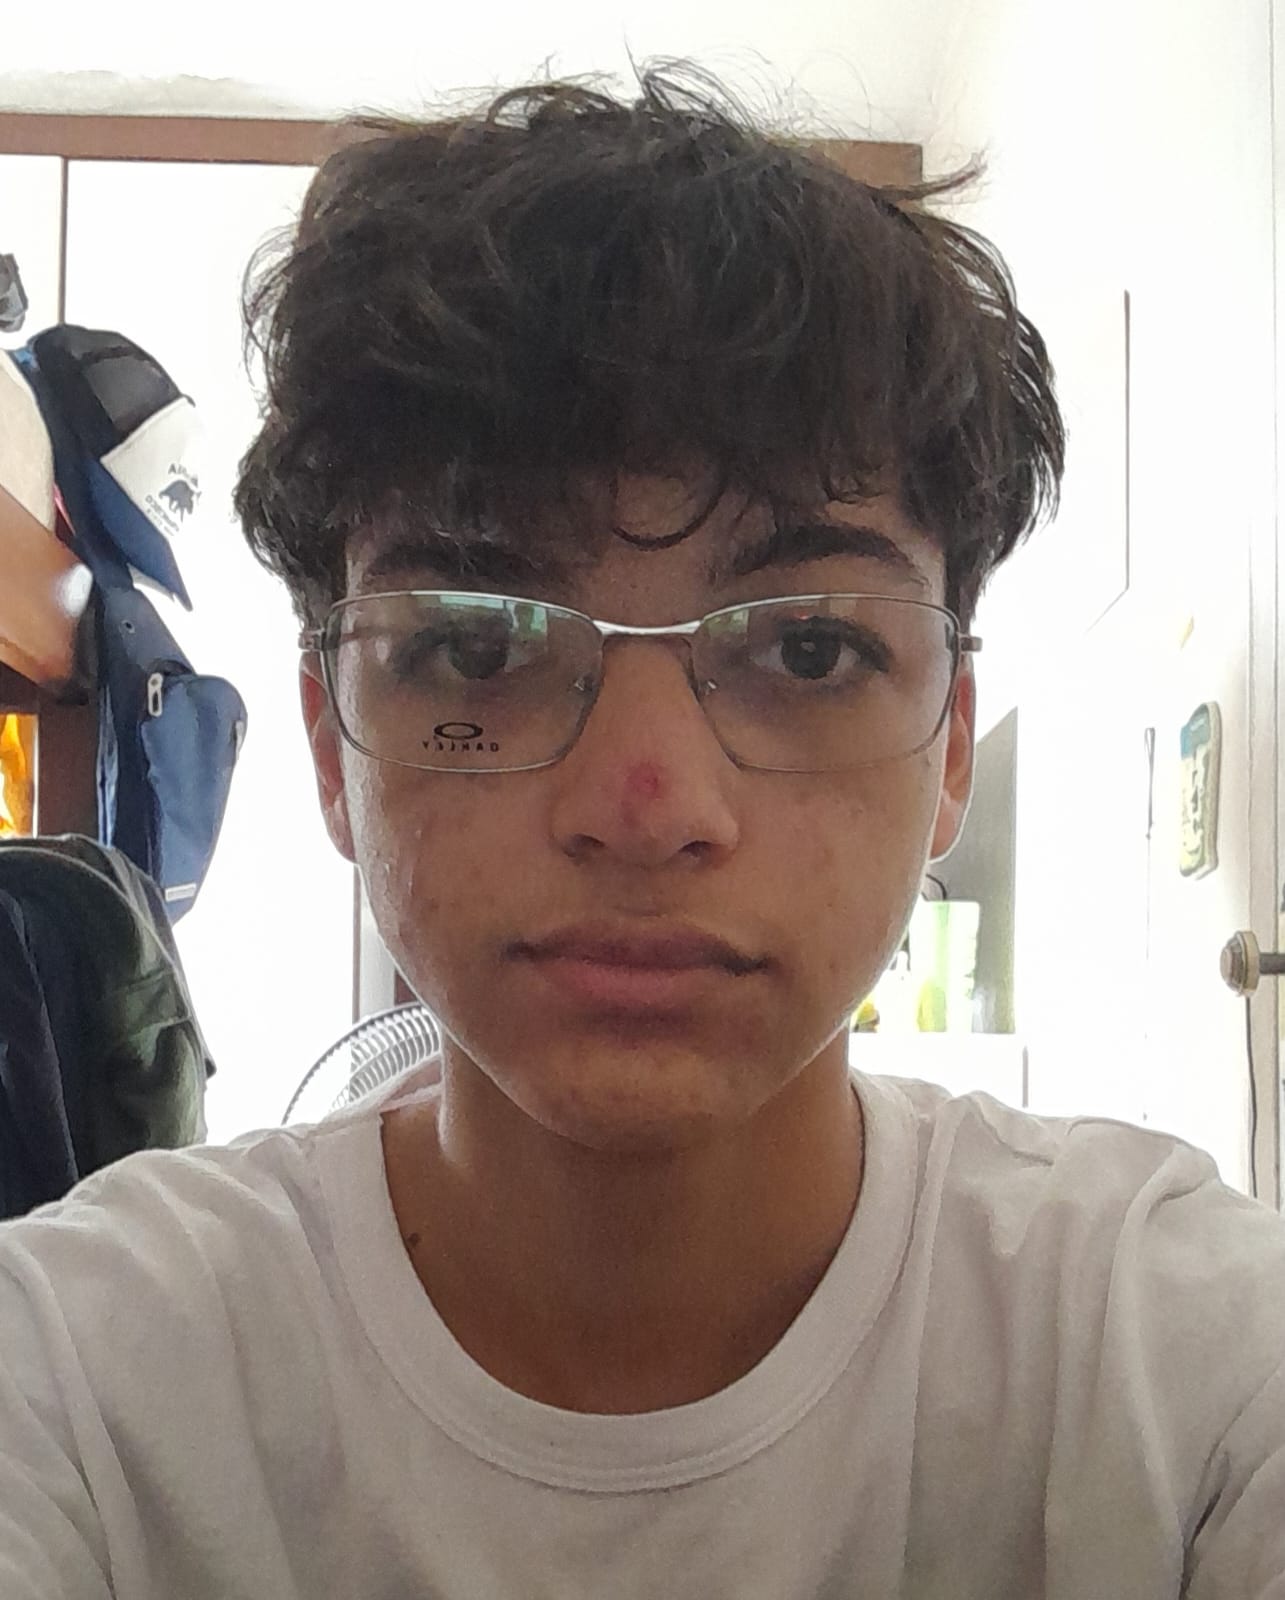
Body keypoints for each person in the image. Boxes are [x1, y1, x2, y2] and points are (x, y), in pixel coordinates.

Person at [1, 66, 1282, 1600]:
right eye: (477, 643)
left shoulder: (1182, 1362)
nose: (647, 810)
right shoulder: (76, 1376)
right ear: (333, 744)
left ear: (948, 745)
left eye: (807, 647)